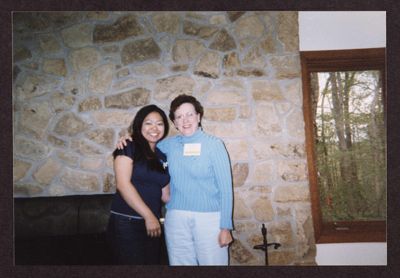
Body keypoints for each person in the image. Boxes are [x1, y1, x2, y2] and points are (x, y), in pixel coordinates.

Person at [117, 95, 233, 265]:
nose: (185, 120)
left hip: (209, 219)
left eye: (190, 115)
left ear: (198, 117)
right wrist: (129, 139)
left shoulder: (214, 145)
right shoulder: (167, 146)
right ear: (174, 122)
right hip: (176, 219)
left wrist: (226, 227)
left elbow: (226, 190)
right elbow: (145, 144)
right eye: (179, 116)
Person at [107, 104, 170, 265]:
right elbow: (123, 184)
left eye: (160, 123)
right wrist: (149, 216)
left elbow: (166, 195)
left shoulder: (162, 156)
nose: (154, 128)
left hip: (152, 223)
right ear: (139, 125)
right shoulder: (128, 146)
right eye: (148, 123)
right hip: (127, 222)